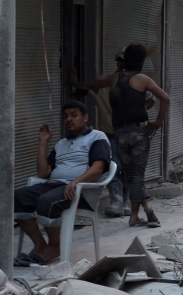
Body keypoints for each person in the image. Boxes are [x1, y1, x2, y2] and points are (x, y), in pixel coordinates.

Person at [75, 43, 170, 227]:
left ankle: (144, 208)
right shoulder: (143, 79)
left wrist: (74, 82)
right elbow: (165, 98)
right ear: (141, 61)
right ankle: (136, 214)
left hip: (119, 133)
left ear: (125, 59)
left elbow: (90, 85)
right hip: (139, 132)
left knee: (130, 173)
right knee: (137, 174)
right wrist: (158, 122)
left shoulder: (114, 79)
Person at [13, 101, 111, 265]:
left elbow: (98, 168)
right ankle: (40, 244)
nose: (69, 119)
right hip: (55, 185)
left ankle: (54, 247)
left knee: (47, 201)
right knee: (17, 198)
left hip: (81, 191)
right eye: (65, 116)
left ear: (85, 118)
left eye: (74, 115)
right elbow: (43, 173)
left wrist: (75, 182)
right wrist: (43, 141)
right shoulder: (61, 144)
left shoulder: (97, 137)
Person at [69, 52, 126, 217]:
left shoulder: (134, 81)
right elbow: (82, 90)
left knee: (126, 168)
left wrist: (75, 83)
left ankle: (123, 202)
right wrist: (75, 82)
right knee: (116, 166)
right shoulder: (106, 82)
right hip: (114, 131)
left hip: (128, 132)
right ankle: (118, 201)